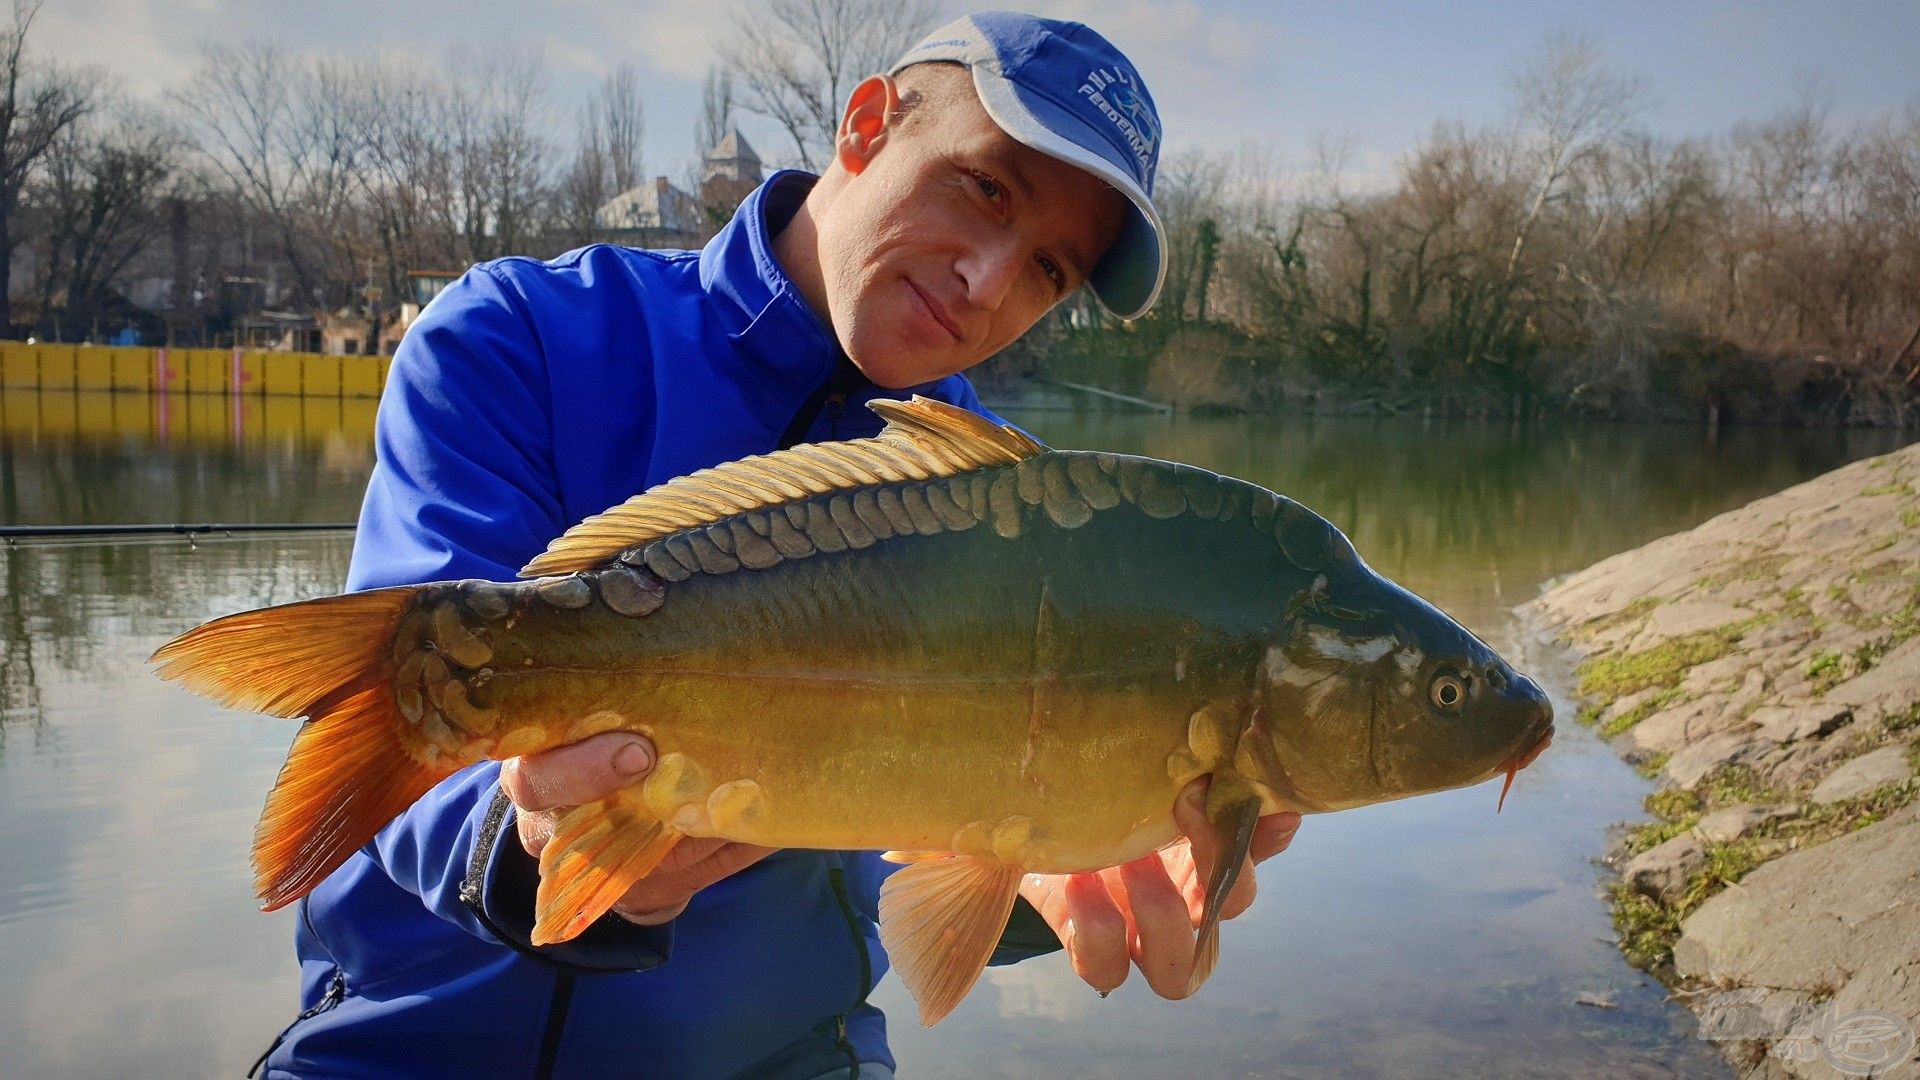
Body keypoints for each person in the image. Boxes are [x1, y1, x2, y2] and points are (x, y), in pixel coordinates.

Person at [255, 13, 1302, 1080]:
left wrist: (1047, 863)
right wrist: (530, 847)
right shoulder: (520, 333)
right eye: (985, 190)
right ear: (864, 125)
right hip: (403, 1050)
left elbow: (928, 873)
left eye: (1047, 270)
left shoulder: (1020, 518)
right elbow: (413, 754)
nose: (989, 280)